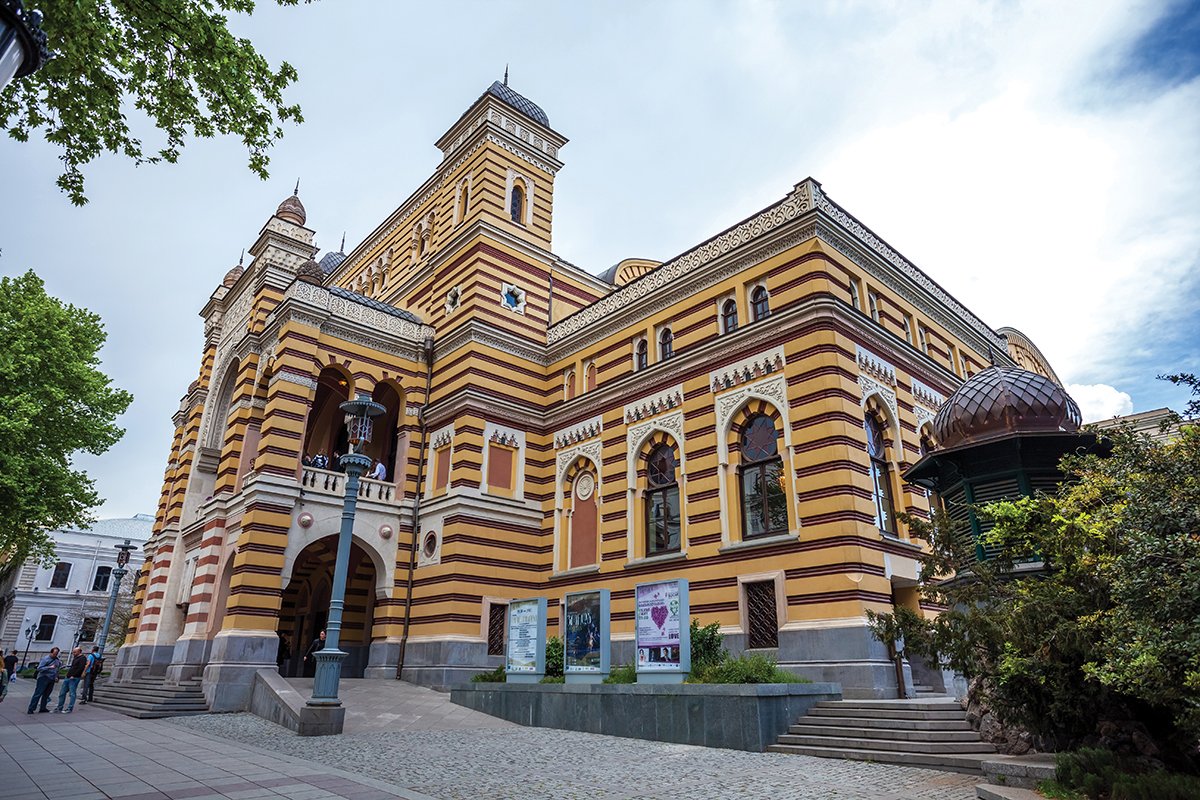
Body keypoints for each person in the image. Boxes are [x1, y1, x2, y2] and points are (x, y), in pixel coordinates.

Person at [26, 647, 62, 714]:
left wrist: (57, 676)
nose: (55, 655)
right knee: (38, 693)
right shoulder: (46, 659)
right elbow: (39, 668)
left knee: (46, 694)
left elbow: (57, 669)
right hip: (43, 677)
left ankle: (43, 708)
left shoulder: (57, 660)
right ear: (51, 652)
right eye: (54, 654)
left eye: (56, 654)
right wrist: (49, 667)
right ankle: (31, 708)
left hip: (52, 678)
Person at [54, 647, 87, 713]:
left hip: (74, 678)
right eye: (73, 652)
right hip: (68, 677)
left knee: (72, 693)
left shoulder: (82, 658)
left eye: (75, 652)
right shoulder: (75, 658)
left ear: (79, 652)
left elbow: (81, 668)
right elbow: (73, 667)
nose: (73, 653)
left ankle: (69, 708)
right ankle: (59, 707)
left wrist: (74, 675)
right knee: (62, 693)